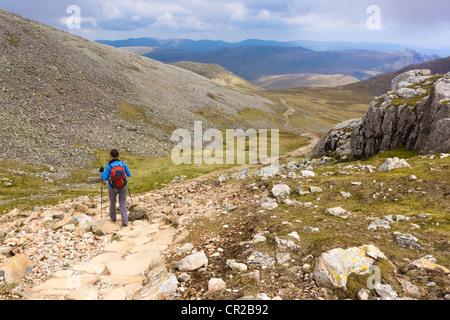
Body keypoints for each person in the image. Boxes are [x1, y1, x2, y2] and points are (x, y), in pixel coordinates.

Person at [100, 149, 131, 226]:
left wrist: (101, 172)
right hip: (123, 186)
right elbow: (129, 174)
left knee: (112, 202)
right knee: (122, 203)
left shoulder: (109, 166)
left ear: (110, 156)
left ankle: (113, 218)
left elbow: (105, 178)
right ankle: (125, 221)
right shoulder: (123, 164)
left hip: (112, 187)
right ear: (118, 155)